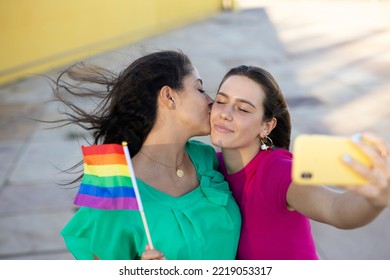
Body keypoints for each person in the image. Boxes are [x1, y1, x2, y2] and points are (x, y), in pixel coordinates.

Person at [53, 50, 241, 260]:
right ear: (169, 96)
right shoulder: (116, 193)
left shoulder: (205, 158)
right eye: (200, 89)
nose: (211, 101)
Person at [209, 65, 390, 260]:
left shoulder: (279, 171)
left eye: (243, 109)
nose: (225, 113)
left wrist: (374, 199)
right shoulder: (208, 166)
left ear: (266, 126)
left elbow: (336, 209)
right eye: (220, 101)